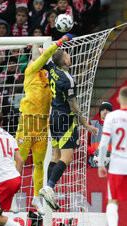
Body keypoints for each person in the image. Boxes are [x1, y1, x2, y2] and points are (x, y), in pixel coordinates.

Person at [16, 34, 73, 215]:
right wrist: (59, 41)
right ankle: (11, 197)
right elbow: (44, 54)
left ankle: (36, 199)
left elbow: (47, 57)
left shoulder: (49, 76)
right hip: (27, 121)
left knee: (40, 163)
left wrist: (37, 46)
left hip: (42, 124)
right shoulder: (31, 70)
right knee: (20, 161)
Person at [38, 37, 98, 210]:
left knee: (55, 156)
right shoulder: (68, 79)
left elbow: (42, 55)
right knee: (67, 158)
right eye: (67, 53)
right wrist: (86, 125)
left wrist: (36, 46)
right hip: (65, 118)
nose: (69, 55)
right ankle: (49, 186)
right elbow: (74, 106)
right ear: (64, 60)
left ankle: (49, 189)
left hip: (53, 116)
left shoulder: (51, 68)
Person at [97, 86, 127, 226]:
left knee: (112, 202)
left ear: (118, 100)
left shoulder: (112, 117)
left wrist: (101, 164)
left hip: (116, 165)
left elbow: (103, 144)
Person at [88, 100, 113, 168]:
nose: (105, 112)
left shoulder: (116, 127)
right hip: (94, 164)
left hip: (112, 165)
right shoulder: (92, 125)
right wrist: (94, 151)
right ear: (99, 112)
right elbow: (83, 144)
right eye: (103, 110)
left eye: (107, 110)